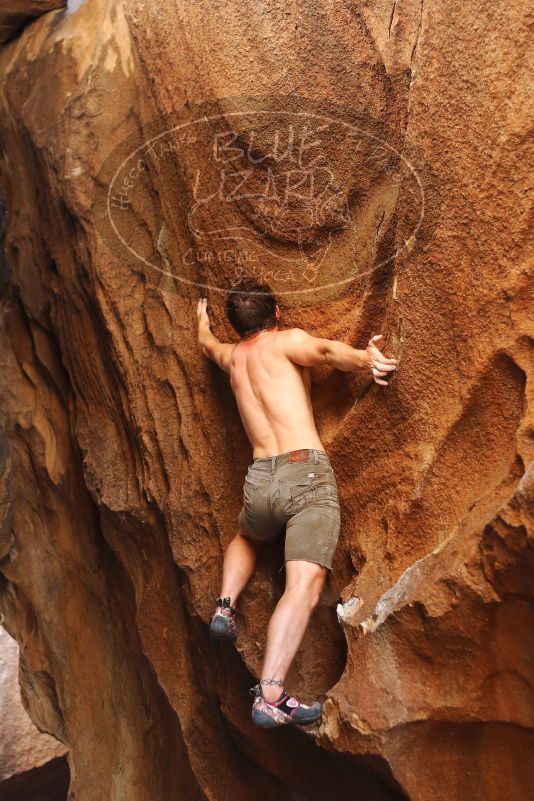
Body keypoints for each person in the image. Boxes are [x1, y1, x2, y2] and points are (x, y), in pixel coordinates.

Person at [196, 277, 398, 728]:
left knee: (248, 535)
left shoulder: (233, 358)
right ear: (278, 314)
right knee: (303, 585)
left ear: (237, 325)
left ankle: (225, 605)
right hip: (304, 472)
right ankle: (270, 695)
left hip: (260, 479)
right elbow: (327, 353)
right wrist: (366, 357)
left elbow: (207, 345)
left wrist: (199, 322)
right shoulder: (286, 343)